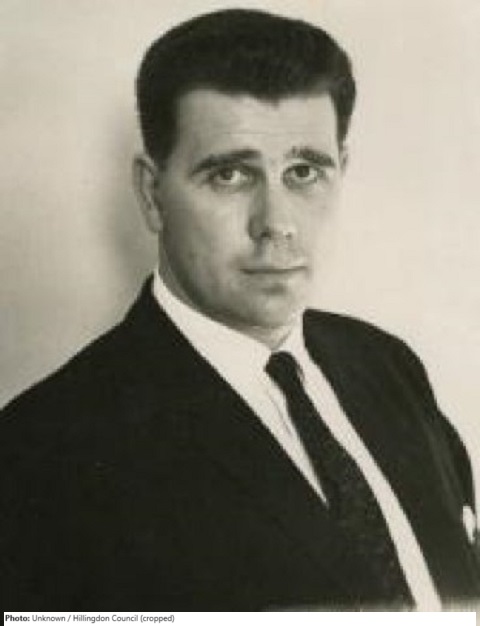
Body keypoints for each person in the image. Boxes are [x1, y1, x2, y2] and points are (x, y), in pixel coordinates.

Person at [0, 8, 478, 612]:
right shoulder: (41, 455)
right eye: (229, 174)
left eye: (304, 172)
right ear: (152, 194)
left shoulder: (388, 365)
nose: (276, 224)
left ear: (342, 171)